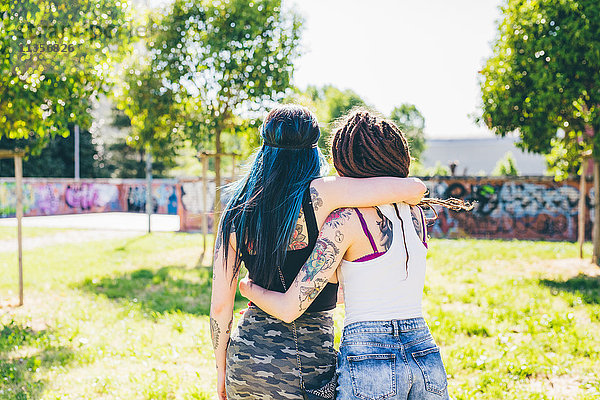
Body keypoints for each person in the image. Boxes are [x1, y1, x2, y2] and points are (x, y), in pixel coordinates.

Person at [240, 109, 472, 400]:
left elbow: (291, 306)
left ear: (345, 161)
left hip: (370, 357)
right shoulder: (416, 216)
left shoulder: (345, 220)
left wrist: (250, 288)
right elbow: (371, 286)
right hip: (424, 351)